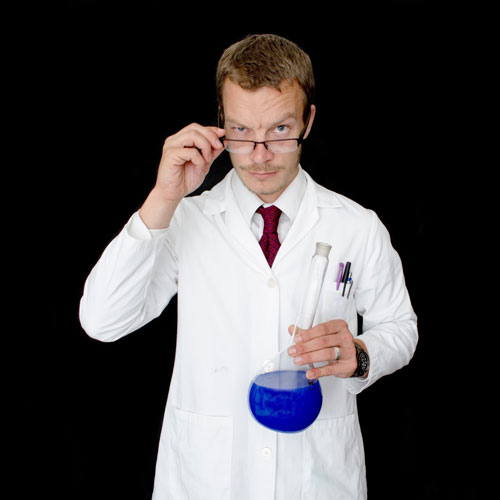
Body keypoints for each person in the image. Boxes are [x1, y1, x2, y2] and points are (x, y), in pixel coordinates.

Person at [80, 34, 418, 500]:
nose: (259, 155)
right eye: (241, 131)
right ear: (220, 123)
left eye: (280, 130)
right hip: (205, 481)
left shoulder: (356, 226)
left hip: (318, 480)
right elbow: (102, 321)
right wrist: (163, 197)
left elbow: (400, 327)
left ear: (308, 121)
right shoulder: (185, 219)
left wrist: (361, 354)